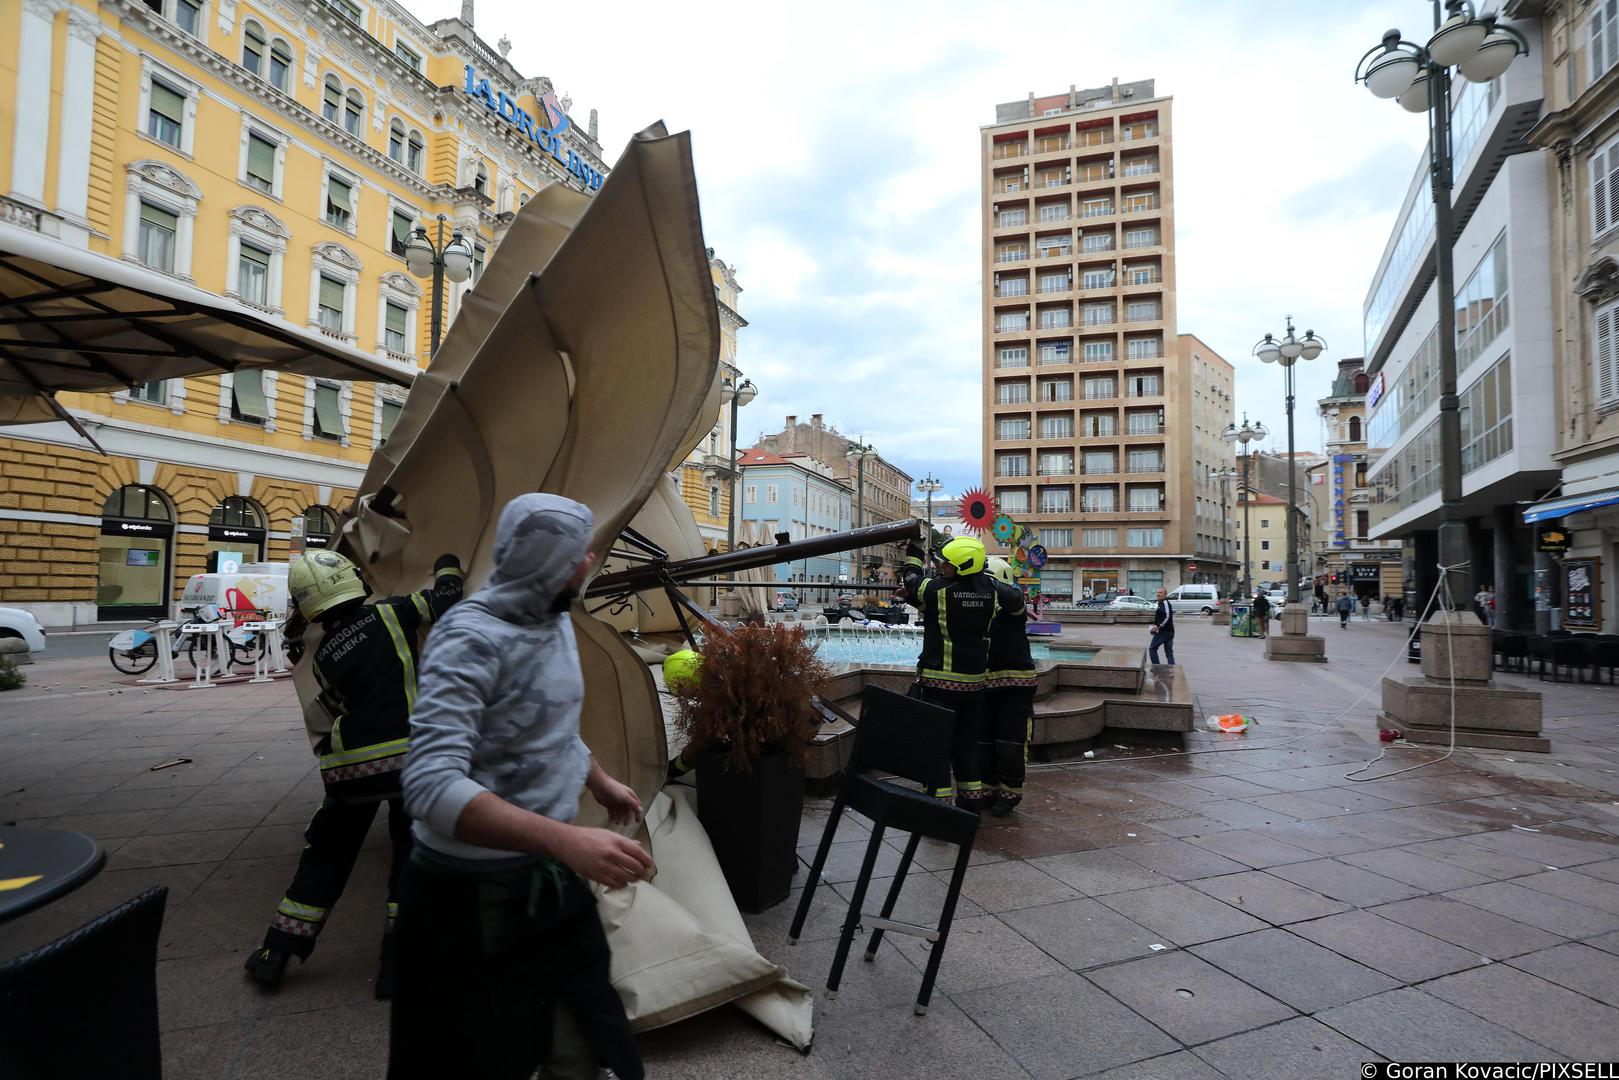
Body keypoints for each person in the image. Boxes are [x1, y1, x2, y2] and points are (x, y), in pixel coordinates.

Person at [390, 493, 648, 1080]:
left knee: (587, 1045)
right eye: (578, 552)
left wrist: (599, 779)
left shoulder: (554, 617)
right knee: (477, 1058)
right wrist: (566, 840)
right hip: (466, 902)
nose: (590, 561)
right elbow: (429, 785)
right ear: (544, 560)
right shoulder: (470, 638)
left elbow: (544, 721)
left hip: (545, 886)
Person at [244, 548, 464, 996]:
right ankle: (395, 967)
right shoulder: (394, 613)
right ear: (352, 581)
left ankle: (277, 952)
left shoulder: (322, 654)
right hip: (409, 760)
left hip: (348, 771)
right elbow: (446, 599)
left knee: (327, 853)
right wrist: (446, 563)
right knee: (410, 855)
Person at [899, 535, 999, 810]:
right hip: (974, 687)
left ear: (964, 565)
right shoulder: (991, 592)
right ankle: (970, 805)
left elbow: (911, 580)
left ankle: (938, 805)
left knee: (936, 745)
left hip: (940, 685)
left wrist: (913, 554)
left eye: (947, 564)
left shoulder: (938, 591)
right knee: (967, 746)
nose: (942, 568)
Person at [982, 557, 1033, 817]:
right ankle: (987, 788)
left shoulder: (1013, 606)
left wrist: (984, 580)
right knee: (984, 741)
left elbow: (1013, 599)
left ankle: (1010, 793)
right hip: (985, 687)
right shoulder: (981, 608)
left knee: (1010, 742)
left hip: (1015, 687)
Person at [1149, 586, 1176, 665]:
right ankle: (1172, 669)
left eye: (1160, 593)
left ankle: (1157, 667)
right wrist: (1155, 625)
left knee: (1152, 648)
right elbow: (1160, 617)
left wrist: (1158, 626)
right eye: (1157, 592)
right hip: (1168, 631)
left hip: (1165, 632)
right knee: (1169, 652)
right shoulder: (1160, 603)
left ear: (1165, 594)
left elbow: (1167, 616)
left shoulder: (1165, 603)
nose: (1158, 594)